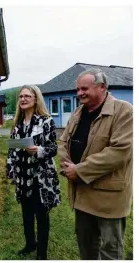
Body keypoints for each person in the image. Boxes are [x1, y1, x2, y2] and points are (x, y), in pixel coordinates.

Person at [58, 68, 133, 260]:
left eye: (84, 89)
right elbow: (63, 142)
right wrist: (68, 165)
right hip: (82, 195)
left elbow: (119, 152)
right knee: (86, 248)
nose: (79, 93)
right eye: (78, 89)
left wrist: (79, 170)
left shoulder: (124, 111)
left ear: (101, 87)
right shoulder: (78, 112)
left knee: (110, 251)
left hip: (109, 199)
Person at [6, 85, 60, 260]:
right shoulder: (17, 124)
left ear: (36, 99)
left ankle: (41, 254)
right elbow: (12, 149)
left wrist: (39, 150)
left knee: (41, 216)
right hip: (23, 176)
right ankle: (30, 244)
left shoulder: (46, 121)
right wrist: (10, 168)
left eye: (27, 96)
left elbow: (53, 148)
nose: (23, 99)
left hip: (41, 177)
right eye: (20, 96)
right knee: (26, 214)